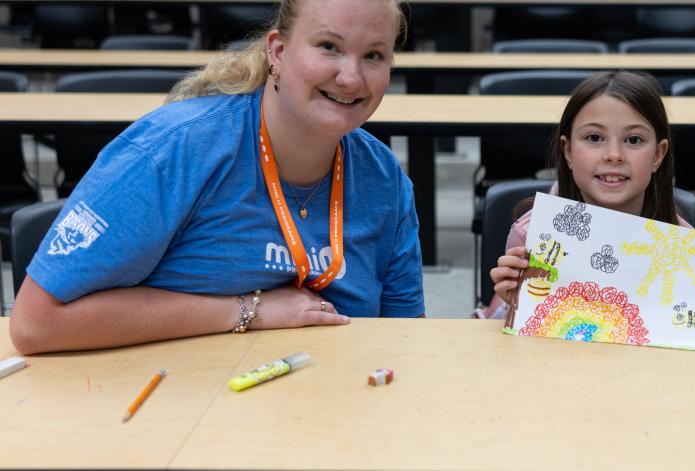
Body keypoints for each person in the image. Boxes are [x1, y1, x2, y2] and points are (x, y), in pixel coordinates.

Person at [10, 0, 424, 355]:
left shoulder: (385, 180)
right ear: (278, 52)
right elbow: (35, 322)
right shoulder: (177, 149)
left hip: (332, 413)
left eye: (374, 55)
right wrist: (248, 310)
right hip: (179, 406)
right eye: (329, 47)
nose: (351, 77)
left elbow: (406, 339)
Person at [481, 70, 695, 320]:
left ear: (658, 155)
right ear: (568, 151)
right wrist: (511, 303)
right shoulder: (530, 234)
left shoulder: (684, 250)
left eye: (634, 140)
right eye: (594, 137)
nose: (613, 154)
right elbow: (509, 338)